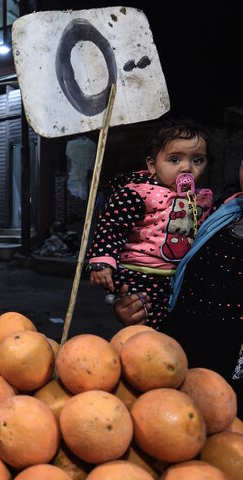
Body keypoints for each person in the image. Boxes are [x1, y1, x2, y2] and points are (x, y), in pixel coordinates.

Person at [114, 159, 243, 412]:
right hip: (179, 359)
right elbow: (168, 273)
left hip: (232, 382)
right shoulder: (218, 213)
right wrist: (138, 305)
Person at [86, 118, 213, 328]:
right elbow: (112, 225)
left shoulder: (203, 199)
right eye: (174, 159)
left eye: (197, 160)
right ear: (152, 165)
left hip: (176, 276)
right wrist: (102, 260)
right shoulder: (139, 193)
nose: (187, 168)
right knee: (146, 326)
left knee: (177, 323)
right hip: (138, 274)